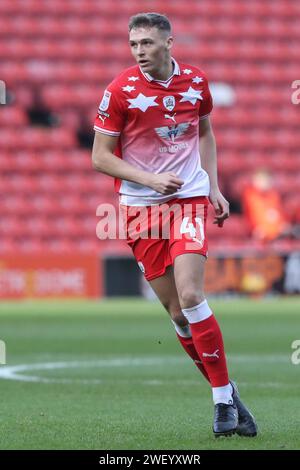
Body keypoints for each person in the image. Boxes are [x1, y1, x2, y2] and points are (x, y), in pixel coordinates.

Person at [92, 12, 257, 438]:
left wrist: (214, 188)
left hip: (188, 200)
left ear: (169, 43)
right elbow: (100, 157)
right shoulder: (120, 91)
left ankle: (220, 402)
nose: (139, 52)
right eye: (133, 44)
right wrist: (149, 180)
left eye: (147, 43)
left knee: (190, 293)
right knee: (177, 314)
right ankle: (229, 391)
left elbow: (205, 132)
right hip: (140, 208)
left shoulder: (197, 83)